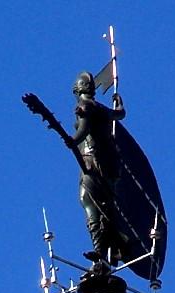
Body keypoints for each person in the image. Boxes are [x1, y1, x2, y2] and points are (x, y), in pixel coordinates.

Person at [65, 71, 126, 264]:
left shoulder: (85, 106)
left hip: (93, 161)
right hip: (110, 162)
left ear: (76, 89)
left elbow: (83, 130)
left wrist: (72, 140)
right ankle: (111, 246)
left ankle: (101, 248)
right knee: (104, 204)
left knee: (88, 199)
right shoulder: (100, 107)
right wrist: (119, 103)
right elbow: (120, 114)